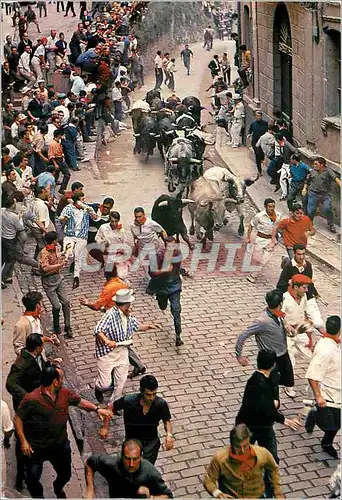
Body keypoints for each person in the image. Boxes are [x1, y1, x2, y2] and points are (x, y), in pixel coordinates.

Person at [13, 365, 112, 498]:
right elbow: (17, 419)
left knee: (66, 475)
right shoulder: (31, 399)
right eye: (61, 378)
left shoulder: (64, 393)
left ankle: (58, 488)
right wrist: (23, 441)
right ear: (55, 381)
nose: (63, 381)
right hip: (36, 448)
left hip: (59, 446)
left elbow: (80, 402)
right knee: (32, 479)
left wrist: (96, 409)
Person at [236, 350, 300, 496]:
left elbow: (271, 403)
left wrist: (275, 403)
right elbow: (266, 408)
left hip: (255, 425)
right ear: (272, 364)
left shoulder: (267, 378)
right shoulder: (258, 383)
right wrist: (285, 420)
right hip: (253, 427)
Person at [93, 289, 160, 405]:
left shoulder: (127, 314)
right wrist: (107, 341)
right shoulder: (110, 315)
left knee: (121, 382)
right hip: (107, 353)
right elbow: (98, 330)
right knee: (104, 384)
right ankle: (98, 387)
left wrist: (150, 326)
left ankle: (114, 404)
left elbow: (136, 326)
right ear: (127, 303)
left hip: (122, 351)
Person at [100, 375, 174, 465]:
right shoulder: (128, 401)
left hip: (151, 441)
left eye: (154, 394)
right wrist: (106, 427)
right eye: (148, 394)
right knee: (130, 466)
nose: (151, 398)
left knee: (147, 467)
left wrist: (169, 435)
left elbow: (167, 421)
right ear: (141, 391)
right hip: (132, 440)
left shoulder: (160, 404)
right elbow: (111, 407)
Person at [6, 334, 46, 490]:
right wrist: (27, 397)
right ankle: (20, 474)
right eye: (42, 345)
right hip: (27, 407)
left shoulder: (36, 355)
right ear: (36, 348)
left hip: (37, 403)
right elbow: (10, 384)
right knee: (23, 435)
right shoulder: (21, 363)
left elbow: (40, 368)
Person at [236, 289, 295, 396]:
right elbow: (243, 335)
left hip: (283, 354)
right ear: (280, 303)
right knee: (272, 387)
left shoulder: (279, 314)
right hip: (270, 359)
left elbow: (288, 331)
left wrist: (290, 330)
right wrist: (239, 355)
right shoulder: (262, 321)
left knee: (287, 380)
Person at [203, 423, 282, 498]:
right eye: (237, 446)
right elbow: (209, 480)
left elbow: (273, 469)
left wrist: (277, 491)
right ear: (231, 444)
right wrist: (217, 493)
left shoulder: (263, 453)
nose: (242, 451)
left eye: (245, 446)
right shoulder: (219, 458)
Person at [84, 439, 173, 498]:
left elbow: (168, 496)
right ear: (122, 456)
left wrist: (151, 497)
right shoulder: (111, 464)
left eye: (135, 459)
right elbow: (90, 463)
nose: (131, 464)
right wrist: (90, 489)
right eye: (127, 459)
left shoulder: (150, 473)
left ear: (141, 457)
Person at [305, 316, 341, 458]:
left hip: (337, 387)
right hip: (328, 392)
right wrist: (318, 395)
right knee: (333, 423)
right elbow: (312, 375)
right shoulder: (326, 350)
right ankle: (314, 416)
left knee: (337, 422)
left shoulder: (332, 342)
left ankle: (327, 442)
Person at [281, 274, 324, 387]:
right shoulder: (285, 299)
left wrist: (310, 338)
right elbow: (279, 314)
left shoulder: (304, 297)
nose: (306, 290)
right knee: (290, 362)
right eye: (304, 288)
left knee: (312, 357)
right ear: (296, 287)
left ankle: (315, 383)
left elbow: (304, 316)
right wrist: (285, 324)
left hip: (300, 331)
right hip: (287, 335)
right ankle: (288, 386)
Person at [147, 236, 184, 346]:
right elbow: (152, 272)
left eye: (173, 246)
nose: (172, 248)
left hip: (174, 285)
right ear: (165, 246)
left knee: (176, 309)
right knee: (162, 306)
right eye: (169, 246)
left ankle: (178, 335)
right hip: (161, 286)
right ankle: (160, 300)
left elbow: (177, 268)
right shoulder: (158, 255)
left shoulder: (178, 254)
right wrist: (163, 270)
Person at [59, 192, 98, 289]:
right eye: (82, 199)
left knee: (77, 255)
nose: (84, 201)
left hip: (82, 236)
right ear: (77, 201)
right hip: (70, 234)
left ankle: (76, 276)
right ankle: (59, 269)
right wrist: (65, 219)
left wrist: (91, 211)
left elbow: (95, 218)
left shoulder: (86, 208)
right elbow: (61, 220)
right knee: (66, 252)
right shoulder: (68, 208)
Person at [39, 231, 73, 338]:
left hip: (59, 278)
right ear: (53, 241)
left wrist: (64, 258)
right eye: (56, 240)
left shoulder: (57, 247)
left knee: (66, 302)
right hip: (49, 282)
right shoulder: (44, 253)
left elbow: (60, 256)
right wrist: (59, 265)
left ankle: (68, 326)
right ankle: (56, 325)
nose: (57, 242)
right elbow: (45, 268)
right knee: (56, 306)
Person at [245, 198, 281, 284]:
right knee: (257, 259)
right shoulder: (259, 216)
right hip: (260, 239)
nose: (272, 208)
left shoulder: (279, 215)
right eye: (270, 207)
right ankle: (253, 272)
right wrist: (248, 237)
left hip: (271, 241)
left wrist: (275, 238)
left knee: (264, 260)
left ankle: (253, 275)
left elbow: (278, 227)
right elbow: (251, 225)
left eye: (273, 206)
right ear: (265, 207)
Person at [302, 156, 340, 233]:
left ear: (321, 165)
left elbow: (336, 179)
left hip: (325, 195)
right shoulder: (312, 171)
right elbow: (307, 180)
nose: (314, 165)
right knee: (311, 211)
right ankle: (309, 224)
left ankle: (331, 224)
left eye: (316, 164)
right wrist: (304, 188)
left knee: (327, 209)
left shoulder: (328, 171)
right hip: (313, 193)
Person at [13, 291, 55, 356]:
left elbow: (37, 336)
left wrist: (47, 339)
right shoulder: (21, 325)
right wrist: (32, 357)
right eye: (41, 303)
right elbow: (18, 348)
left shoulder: (37, 318)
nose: (42, 305)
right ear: (37, 306)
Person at [94, 210, 129, 280]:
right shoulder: (103, 227)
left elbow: (125, 243)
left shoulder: (121, 230)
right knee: (109, 274)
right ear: (109, 219)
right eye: (112, 221)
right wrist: (103, 243)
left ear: (118, 220)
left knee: (120, 275)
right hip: (107, 254)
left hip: (118, 255)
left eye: (116, 221)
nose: (114, 223)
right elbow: (97, 238)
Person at [48, 129, 71, 195]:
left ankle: (62, 189)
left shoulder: (59, 142)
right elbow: (51, 155)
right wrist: (55, 164)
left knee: (67, 174)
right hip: (56, 161)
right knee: (55, 177)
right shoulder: (52, 144)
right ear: (59, 135)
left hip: (61, 159)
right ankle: (50, 191)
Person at [248, 111, 268, 175]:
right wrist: (249, 135)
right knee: (257, 154)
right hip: (255, 141)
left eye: (260, 116)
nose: (259, 117)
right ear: (255, 117)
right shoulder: (253, 124)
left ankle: (261, 160)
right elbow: (250, 131)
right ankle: (259, 170)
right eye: (257, 116)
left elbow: (267, 131)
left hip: (262, 142)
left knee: (261, 154)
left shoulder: (265, 123)